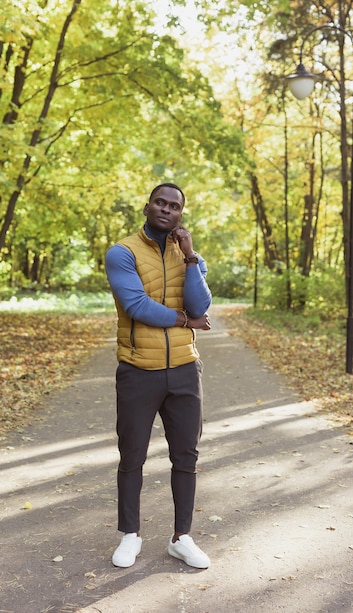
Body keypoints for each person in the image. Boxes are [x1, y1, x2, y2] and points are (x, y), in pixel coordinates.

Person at [105, 182, 212, 569]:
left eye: (175, 206)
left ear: (181, 214)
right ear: (147, 206)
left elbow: (201, 303)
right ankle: (129, 535)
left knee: (186, 455)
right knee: (131, 455)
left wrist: (190, 257)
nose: (167, 210)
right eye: (160, 203)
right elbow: (136, 305)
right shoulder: (122, 252)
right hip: (138, 370)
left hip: (185, 369)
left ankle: (182, 537)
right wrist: (185, 320)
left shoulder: (188, 255)